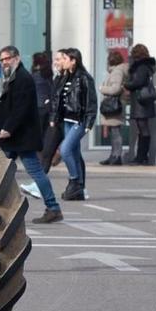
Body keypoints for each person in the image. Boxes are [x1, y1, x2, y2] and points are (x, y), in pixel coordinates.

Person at [0, 45, 62, 224]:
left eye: (7, 58)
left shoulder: (23, 78)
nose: (4, 63)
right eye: (1, 60)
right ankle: (0, 208)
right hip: (16, 137)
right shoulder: (14, 76)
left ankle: (53, 207)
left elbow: (21, 108)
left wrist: (7, 128)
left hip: (20, 136)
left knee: (34, 172)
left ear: (16, 58)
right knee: (0, 170)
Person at [52, 47, 96, 200]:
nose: (61, 62)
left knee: (65, 150)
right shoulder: (65, 77)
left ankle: (74, 180)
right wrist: (54, 117)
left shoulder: (84, 78)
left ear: (73, 61)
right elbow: (58, 98)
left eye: (64, 59)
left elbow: (91, 101)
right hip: (66, 121)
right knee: (75, 153)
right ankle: (79, 188)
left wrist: (90, 123)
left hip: (80, 121)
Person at [125, 44, 156, 165]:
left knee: (143, 129)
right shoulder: (146, 65)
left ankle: (141, 157)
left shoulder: (141, 66)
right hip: (144, 100)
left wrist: (127, 84)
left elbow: (138, 82)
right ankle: (142, 156)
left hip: (141, 101)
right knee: (143, 128)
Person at [98, 48, 129, 164]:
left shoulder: (117, 71)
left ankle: (116, 156)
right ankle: (113, 155)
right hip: (114, 105)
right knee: (114, 132)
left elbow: (115, 88)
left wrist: (102, 88)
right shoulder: (116, 70)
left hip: (114, 105)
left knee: (116, 132)